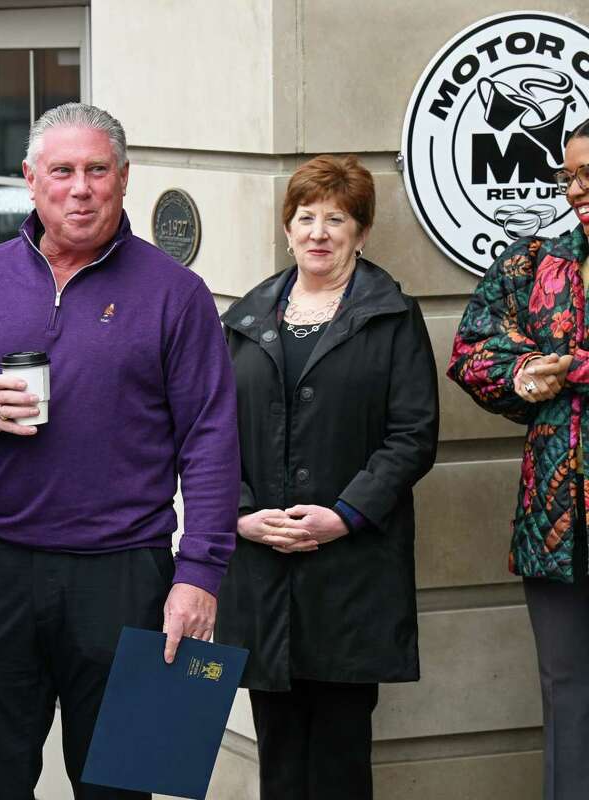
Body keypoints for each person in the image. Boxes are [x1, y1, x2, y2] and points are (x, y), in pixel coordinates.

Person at [0, 102, 238, 798]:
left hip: (127, 574)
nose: (80, 187)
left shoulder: (177, 294)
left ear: (125, 180)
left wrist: (200, 575)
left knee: (132, 780)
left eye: (97, 170)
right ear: (31, 180)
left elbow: (211, 440)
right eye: (62, 171)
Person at [214, 155, 439, 800]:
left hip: (351, 576)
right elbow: (212, 437)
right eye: (305, 216)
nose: (318, 232)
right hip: (261, 569)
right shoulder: (244, 320)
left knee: (340, 761)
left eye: (335, 219)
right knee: (279, 759)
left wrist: (343, 515)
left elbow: (412, 436)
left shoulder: (393, 318)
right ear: (287, 228)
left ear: (361, 232)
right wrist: (239, 513)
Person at [448, 119, 589, 800]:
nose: (578, 191)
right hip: (557, 524)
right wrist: (524, 371)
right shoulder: (536, 259)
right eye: (569, 177)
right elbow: (473, 349)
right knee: (566, 691)